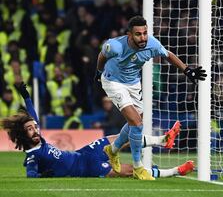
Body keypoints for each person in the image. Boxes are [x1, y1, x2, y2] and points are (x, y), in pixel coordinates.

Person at [94, 15, 206, 180]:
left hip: (133, 83)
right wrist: (98, 71)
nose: (143, 37)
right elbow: (102, 56)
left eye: (145, 33)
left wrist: (187, 69)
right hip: (113, 82)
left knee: (137, 121)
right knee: (137, 124)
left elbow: (168, 55)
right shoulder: (115, 46)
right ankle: (138, 167)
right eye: (138, 34)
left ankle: (112, 150)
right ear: (130, 35)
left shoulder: (152, 44)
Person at [1, 83, 194, 178]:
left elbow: (33, 114)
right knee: (131, 171)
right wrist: (43, 175)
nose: (35, 130)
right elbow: (31, 174)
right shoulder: (33, 155)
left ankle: (163, 140)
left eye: (34, 127)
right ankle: (176, 171)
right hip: (87, 169)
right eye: (30, 129)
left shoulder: (38, 139)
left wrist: (26, 96)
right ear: (22, 135)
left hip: (85, 152)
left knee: (121, 136)